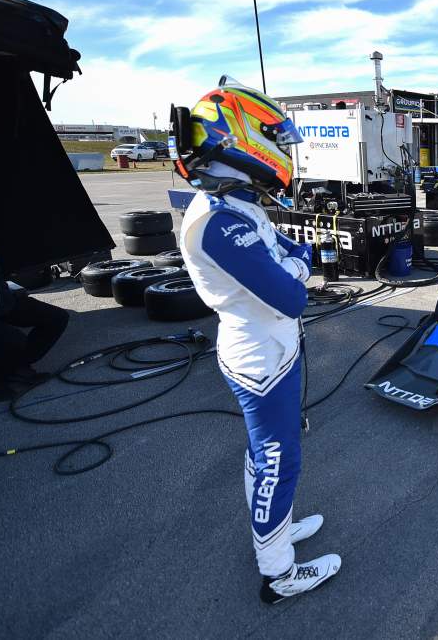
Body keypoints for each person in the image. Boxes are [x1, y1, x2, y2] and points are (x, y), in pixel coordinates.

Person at [176, 76, 340, 604]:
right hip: (260, 357)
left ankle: (278, 528)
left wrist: (294, 265)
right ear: (242, 139)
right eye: (276, 137)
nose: (284, 149)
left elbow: (293, 254)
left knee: (266, 452)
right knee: (278, 459)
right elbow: (293, 292)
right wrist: (296, 267)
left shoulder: (235, 204)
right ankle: (278, 571)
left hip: (271, 347)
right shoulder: (218, 221)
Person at [0, 206, 69, 402]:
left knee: (56, 318)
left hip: (0, 301)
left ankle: (17, 366)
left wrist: (10, 296)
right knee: (11, 339)